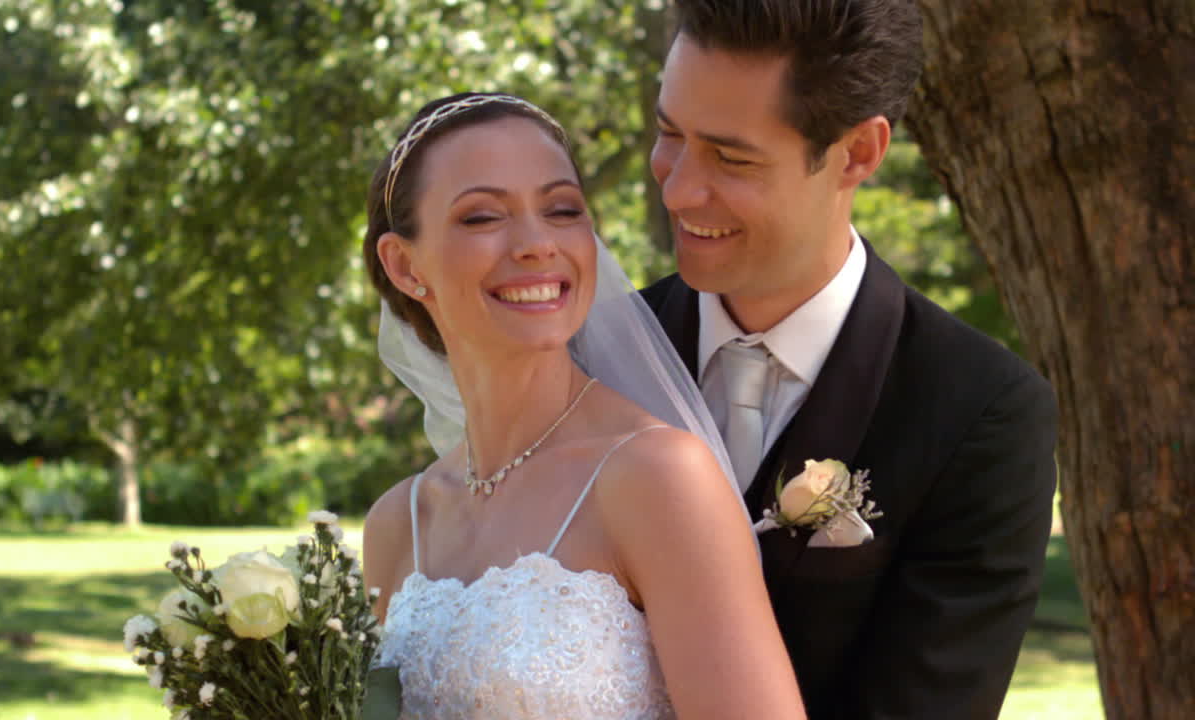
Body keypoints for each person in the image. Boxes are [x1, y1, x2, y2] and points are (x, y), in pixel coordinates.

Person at [640, 2, 1059, 719]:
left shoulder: (982, 413)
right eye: (669, 133)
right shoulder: (587, 359)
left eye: (731, 157)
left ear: (858, 154)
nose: (677, 187)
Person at [359, 93, 808, 720]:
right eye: (483, 218)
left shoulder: (658, 476)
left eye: (563, 210)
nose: (538, 243)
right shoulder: (396, 524)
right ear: (404, 265)